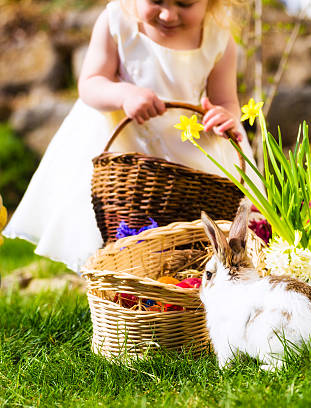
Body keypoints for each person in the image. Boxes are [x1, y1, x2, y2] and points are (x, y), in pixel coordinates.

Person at [3, 0, 260, 272]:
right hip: (127, 145)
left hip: (187, 143)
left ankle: (178, 276)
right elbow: (91, 83)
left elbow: (226, 101)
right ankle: (118, 274)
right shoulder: (118, 21)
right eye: (156, 1)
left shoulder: (218, 36)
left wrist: (225, 116)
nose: (168, 14)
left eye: (185, 3)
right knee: (121, 214)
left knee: (188, 220)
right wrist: (125, 94)